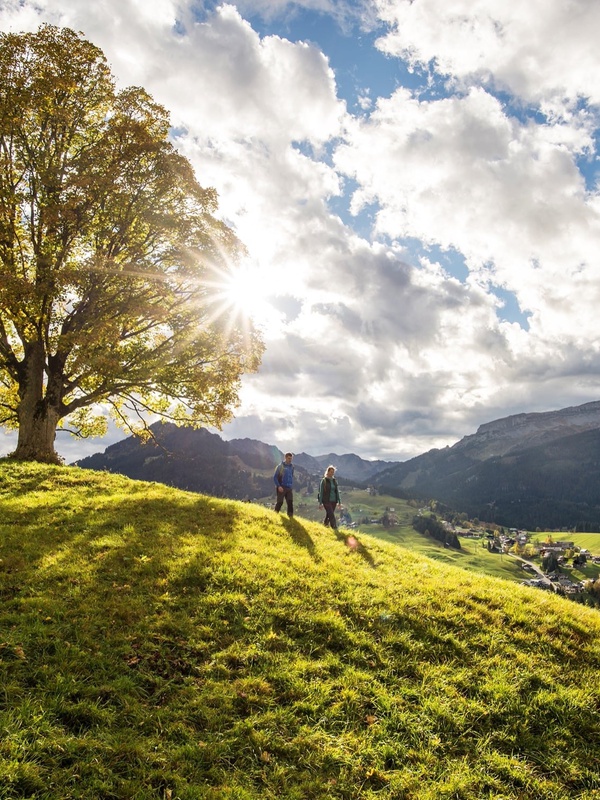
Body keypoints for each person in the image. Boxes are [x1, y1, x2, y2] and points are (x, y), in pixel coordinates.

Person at [318, 465, 341, 529]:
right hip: (326, 501)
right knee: (331, 514)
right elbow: (321, 492)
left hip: (334, 501)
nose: (332, 473)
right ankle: (335, 528)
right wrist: (320, 503)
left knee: (329, 514)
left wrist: (339, 501)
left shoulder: (334, 481)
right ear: (327, 472)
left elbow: (337, 491)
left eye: (333, 472)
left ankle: (325, 525)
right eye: (331, 472)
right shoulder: (324, 481)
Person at [273, 452, 294, 518]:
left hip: (289, 488)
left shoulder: (292, 467)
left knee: (290, 502)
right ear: (285, 458)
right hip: (281, 487)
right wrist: (279, 486)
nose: (290, 460)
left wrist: (290, 484)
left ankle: (290, 517)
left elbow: (291, 476)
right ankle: (275, 514)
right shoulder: (280, 466)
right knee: (280, 502)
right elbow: (275, 477)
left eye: (291, 458)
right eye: (288, 458)